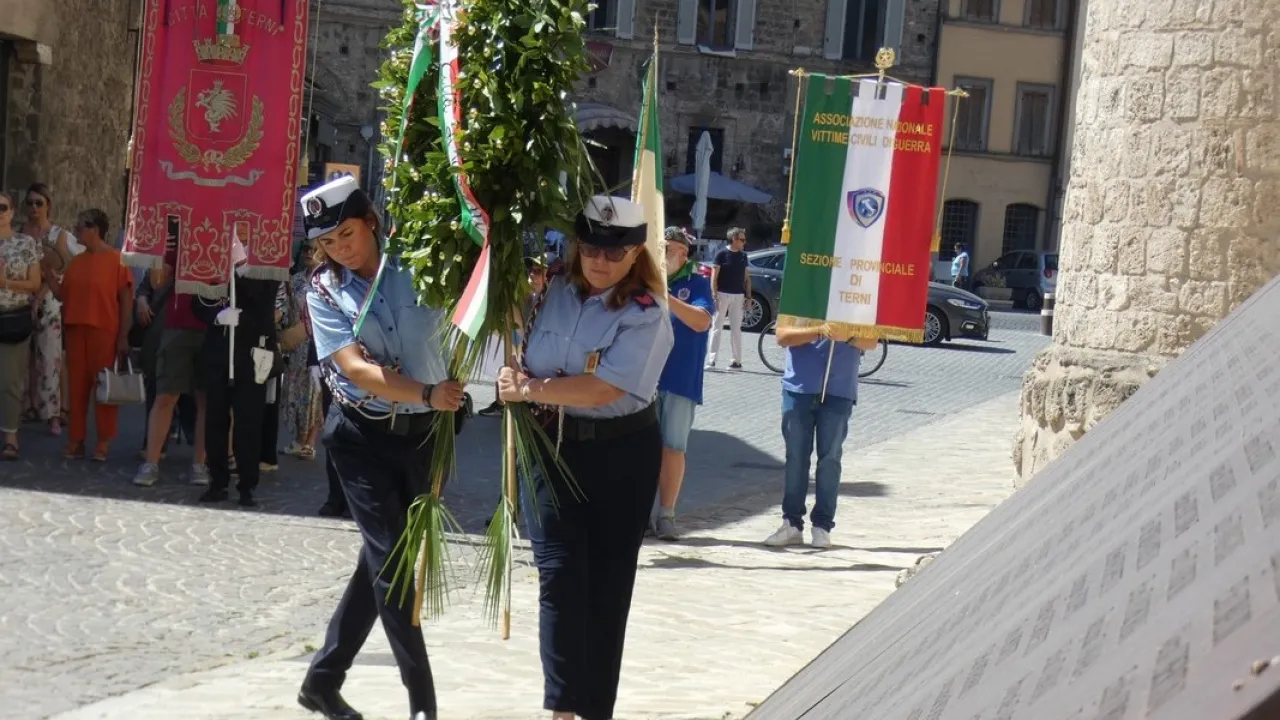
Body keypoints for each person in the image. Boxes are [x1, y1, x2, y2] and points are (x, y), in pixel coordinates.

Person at [497, 195, 673, 720]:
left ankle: (595, 709)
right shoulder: (546, 289)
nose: (600, 261)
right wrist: (511, 374)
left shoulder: (647, 313)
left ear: (636, 252)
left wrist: (529, 390)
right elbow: (515, 344)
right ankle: (560, 709)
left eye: (614, 254)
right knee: (557, 573)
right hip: (550, 447)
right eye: (591, 248)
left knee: (606, 587)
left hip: (622, 453)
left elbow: (601, 390)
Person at [298, 176, 464, 720]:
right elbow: (355, 368)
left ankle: (322, 681)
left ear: (370, 219)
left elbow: (465, 308)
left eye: (347, 233)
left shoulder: (421, 260)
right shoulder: (323, 290)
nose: (341, 248)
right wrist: (425, 391)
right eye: (328, 243)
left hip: (425, 433)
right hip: (361, 436)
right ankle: (423, 703)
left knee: (383, 558)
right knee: (394, 566)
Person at [764, 324, 878, 549]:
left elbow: (872, 341)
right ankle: (792, 523)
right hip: (799, 387)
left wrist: (849, 335)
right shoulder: (802, 293)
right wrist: (819, 331)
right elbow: (783, 336)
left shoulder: (854, 298)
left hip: (839, 389)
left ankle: (823, 526)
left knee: (830, 459)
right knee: (796, 458)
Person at [192, 236, 280, 508]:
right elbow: (197, 298)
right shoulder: (214, 256)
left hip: (251, 355)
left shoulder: (267, 261)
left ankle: (247, 485)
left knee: (248, 424)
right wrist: (216, 316)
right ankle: (217, 481)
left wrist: (241, 266)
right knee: (215, 421)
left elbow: (263, 301)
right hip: (219, 353)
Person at [133, 222, 210, 487]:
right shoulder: (178, 236)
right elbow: (156, 281)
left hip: (212, 324)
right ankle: (151, 462)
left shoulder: (224, 234)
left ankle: (200, 464)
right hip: (178, 324)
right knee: (165, 394)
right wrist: (157, 252)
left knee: (205, 399)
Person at [652, 226, 714, 541]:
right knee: (641, 448)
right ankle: (638, 513)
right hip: (645, 378)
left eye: (669, 249)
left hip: (680, 379)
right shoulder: (647, 279)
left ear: (683, 254)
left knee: (673, 448)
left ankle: (666, 514)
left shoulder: (697, 282)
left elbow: (702, 321)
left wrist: (667, 297)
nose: (663, 255)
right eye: (660, 248)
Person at [57, 209, 133, 461]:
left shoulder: (116, 260)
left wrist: (123, 336)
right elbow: (62, 295)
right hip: (76, 330)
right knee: (77, 388)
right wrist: (46, 271)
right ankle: (76, 440)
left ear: (94, 229)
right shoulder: (76, 262)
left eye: (80, 226)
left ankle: (103, 441)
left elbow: (125, 300)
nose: (76, 230)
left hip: (104, 331)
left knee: (104, 388)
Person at [21, 183, 72, 436]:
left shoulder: (57, 235)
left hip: (49, 300)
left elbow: (61, 270)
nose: (33, 207)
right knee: (23, 356)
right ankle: (26, 406)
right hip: (22, 297)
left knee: (50, 355)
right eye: (30, 202)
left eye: (39, 203)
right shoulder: (20, 233)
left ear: (48, 205)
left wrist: (41, 295)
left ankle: (53, 414)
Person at [477, 254, 548, 418]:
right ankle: (501, 404)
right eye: (531, 270)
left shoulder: (552, 302)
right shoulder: (526, 295)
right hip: (519, 349)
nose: (532, 274)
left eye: (539, 271)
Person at [0, 194, 42, 460]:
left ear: (12, 212)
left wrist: (4, 282)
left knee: (10, 381)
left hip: (12, 318)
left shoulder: (25, 243)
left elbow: (35, 284)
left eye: (2, 207)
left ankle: (10, 437)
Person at [706, 226, 750, 370]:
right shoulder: (721, 254)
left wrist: (748, 297)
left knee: (736, 328)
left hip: (738, 295)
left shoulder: (743, 256)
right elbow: (714, 277)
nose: (744, 242)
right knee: (717, 327)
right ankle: (712, 359)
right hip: (722, 294)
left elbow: (747, 278)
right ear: (734, 239)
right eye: (742, 239)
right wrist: (714, 295)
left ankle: (737, 361)